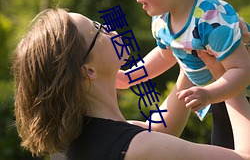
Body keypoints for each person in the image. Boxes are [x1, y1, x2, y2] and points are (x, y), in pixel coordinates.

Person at [13, 8, 250, 160]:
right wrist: (226, 75)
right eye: (98, 30)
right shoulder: (138, 148)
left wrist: (190, 48)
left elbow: (157, 131)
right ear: (88, 70)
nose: (109, 28)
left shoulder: (73, 143)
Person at [118, 0, 250, 149]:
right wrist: (129, 77)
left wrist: (209, 93)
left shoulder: (211, 19)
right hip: (220, 99)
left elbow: (242, 70)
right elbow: (166, 55)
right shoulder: (162, 20)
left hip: (239, 96)